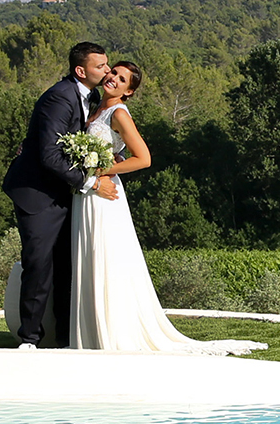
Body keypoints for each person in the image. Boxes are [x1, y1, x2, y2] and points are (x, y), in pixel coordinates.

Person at [68, 61, 264, 355]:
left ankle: (111, 335)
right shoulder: (96, 106)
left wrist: (105, 170)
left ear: (129, 91)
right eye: (112, 73)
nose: (113, 79)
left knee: (104, 256)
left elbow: (143, 158)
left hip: (104, 195)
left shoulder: (118, 112)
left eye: (122, 79)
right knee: (89, 256)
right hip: (87, 192)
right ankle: (90, 333)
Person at [3, 42, 118, 348]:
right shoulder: (59, 97)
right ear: (81, 71)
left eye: (107, 65)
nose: (106, 71)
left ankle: (66, 338)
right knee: (39, 265)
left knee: (68, 265)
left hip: (65, 194)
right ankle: (29, 339)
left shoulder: (91, 95)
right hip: (37, 194)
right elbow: (49, 156)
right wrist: (91, 183)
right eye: (100, 66)